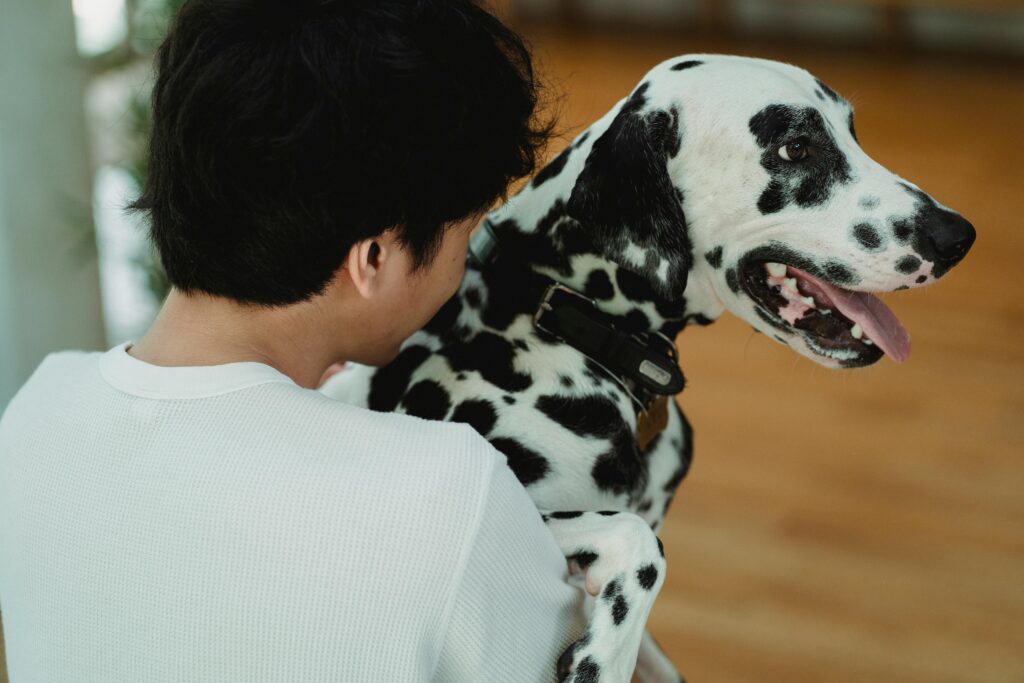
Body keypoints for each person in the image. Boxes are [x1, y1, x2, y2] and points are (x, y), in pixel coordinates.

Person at [0, 1, 590, 681]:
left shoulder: (33, 417)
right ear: (374, 258)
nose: (469, 262)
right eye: (468, 231)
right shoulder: (450, 493)